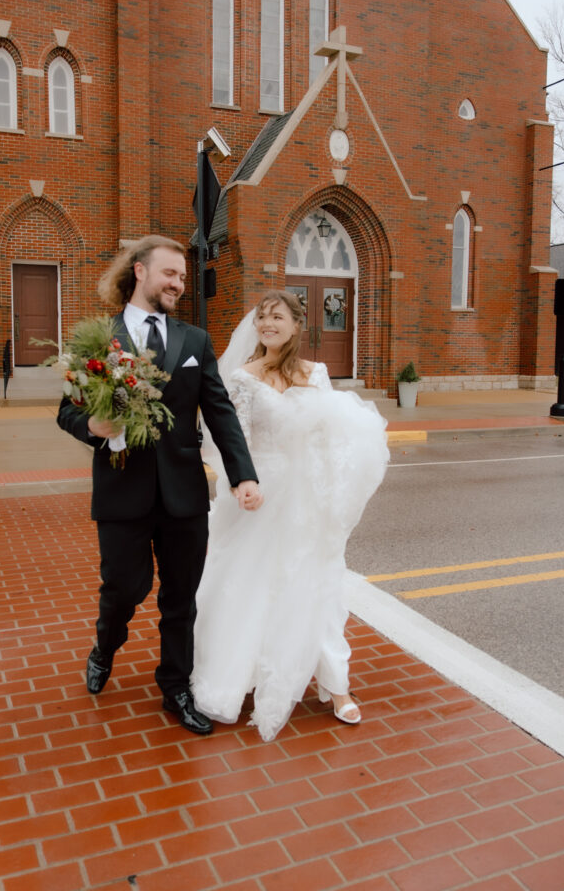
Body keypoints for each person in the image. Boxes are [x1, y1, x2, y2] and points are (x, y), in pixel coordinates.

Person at [57, 235, 262, 735]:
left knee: (180, 597)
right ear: (140, 271)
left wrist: (243, 474)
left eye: (184, 278)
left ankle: (175, 687)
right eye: (170, 273)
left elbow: (218, 411)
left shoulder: (194, 341)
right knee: (125, 588)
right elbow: (67, 411)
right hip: (121, 489)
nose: (179, 284)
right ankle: (106, 644)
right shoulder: (97, 339)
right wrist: (93, 428)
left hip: (183, 493)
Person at [192, 290, 388, 741]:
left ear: (297, 325)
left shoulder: (315, 374)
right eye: (262, 318)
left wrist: (332, 489)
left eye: (277, 317)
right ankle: (237, 675)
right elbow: (230, 437)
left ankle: (336, 686)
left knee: (318, 584)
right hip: (259, 492)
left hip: (306, 495)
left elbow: (331, 435)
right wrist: (241, 484)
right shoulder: (241, 377)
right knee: (251, 582)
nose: (267, 325)